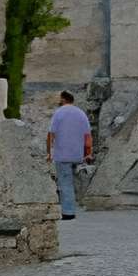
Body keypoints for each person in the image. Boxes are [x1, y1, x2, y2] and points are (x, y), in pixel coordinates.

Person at [43, 90, 93, 219]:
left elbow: (51, 134)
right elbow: (87, 136)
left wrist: (49, 152)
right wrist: (88, 153)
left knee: (65, 183)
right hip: (78, 155)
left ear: (63, 99)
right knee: (73, 183)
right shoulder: (81, 113)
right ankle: (74, 206)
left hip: (63, 154)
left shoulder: (59, 113)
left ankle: (68, 212)